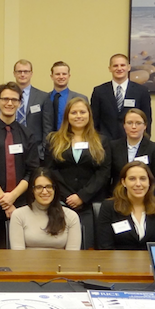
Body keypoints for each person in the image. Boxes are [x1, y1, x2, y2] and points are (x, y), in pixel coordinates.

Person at [0, 82, 40, 249]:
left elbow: (32, 170)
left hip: (21, 203)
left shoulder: (27, 134)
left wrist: (12, 197)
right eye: (5, 99)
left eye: (14, 99)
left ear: (20, 103)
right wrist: (5, 200)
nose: (9, 103)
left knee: (22, 254)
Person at [44, 98, 111, 248]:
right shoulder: (54, 139)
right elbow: (50, 170)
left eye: (82, 112)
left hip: (90, 203)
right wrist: (68, 196)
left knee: (86, 245)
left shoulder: (101, 141)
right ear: (67, 116)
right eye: (74, 112)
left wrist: (82, 196)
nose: (78, 116)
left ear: (89, 115)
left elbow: (104, 172)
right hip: (62, 202)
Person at [96, 162, 155, 250]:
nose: (138, 184)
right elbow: (105, 247)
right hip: (118, 262)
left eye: (143, 179)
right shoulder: (109, 207)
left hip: (149, 262)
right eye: (132, 179)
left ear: (149, 182)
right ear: (123, 182)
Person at [9, 167, 82, 250]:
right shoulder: (18, 215)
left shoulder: (71, 216)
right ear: (32, 190)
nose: (44, 192)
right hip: (27, 263)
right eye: (39, 187)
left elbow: (73, 256)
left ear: (55, 189)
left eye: (49, 186)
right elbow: (18, 255)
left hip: (60, 263)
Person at [90, 54, 152, 141]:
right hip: (105, 143)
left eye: (122, 65)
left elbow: (147, 119)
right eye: (115, 66)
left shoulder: (141, 91)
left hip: (132, 142)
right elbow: (94, 120)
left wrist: (145, 141)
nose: (119, 68)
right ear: (110, 68)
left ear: (129, 67)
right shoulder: (99, 91)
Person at [108, 108, 155, 188]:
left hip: (144, 195)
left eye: (138, 123)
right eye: (129, 123)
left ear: (145, 126)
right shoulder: (113, 147)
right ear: (124, 125)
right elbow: (108, 176)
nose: (134, 127)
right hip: (118, 195)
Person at [42, 61, 88, 141]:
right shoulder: (44, 98)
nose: (61, 76)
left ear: (69, 76)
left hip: (72, 141)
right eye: (57, 74)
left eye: (64, 74)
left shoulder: (80, 98)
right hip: (49, 143)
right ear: (51, 76)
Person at [11, 59, 51, 144]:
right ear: (14, 74)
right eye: (19, 71)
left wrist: (43, 151)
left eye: (26, 72)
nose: (22, 74)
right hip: (11, 143)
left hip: (35, 147)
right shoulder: (7, 97)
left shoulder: (43, 97)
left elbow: (47, 127)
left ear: (31, 74)